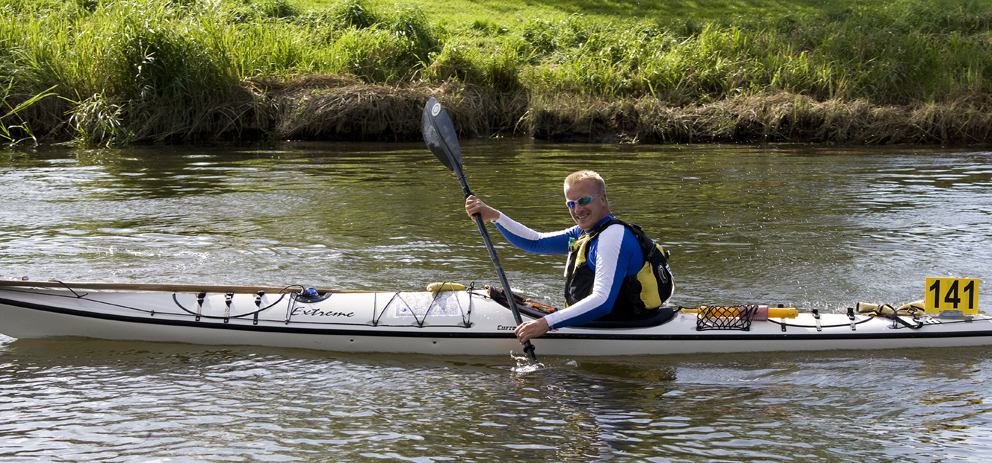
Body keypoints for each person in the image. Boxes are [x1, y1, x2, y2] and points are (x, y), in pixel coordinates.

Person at [465, 170, 673, 345]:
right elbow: (535, 242)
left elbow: (602, 302)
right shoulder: (586, 231)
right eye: (571, 204)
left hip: (621, 324)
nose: (578, 209)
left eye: (583, 201)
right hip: (597, 321)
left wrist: (545, 324)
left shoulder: (612, 237)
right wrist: (493, 215)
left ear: (603, 199)